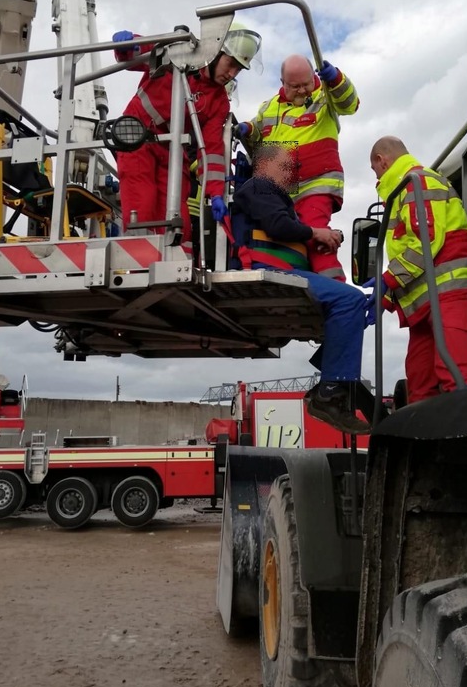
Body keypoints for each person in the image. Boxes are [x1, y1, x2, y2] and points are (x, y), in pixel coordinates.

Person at [231, 143, 368, 433]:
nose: (291, 174)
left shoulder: (270, 195)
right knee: (351, 300)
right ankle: (330, 390)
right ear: (264, 166)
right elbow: (278, 225)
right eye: (285, 167)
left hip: (285, 273)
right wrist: (314, 231)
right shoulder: (260, 186)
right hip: (268, 271)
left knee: (360, 307)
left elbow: (283, 228)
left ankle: (339, 376)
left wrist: (318, 237)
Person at [112, 25, 262, 247]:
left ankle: (176, 275)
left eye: (238, 70)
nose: (232, 74)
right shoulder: (179, 53)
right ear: (216, 50)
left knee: (177, 222)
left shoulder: (219, 100)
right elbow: (142, 51)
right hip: (138, 139)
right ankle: (139, 267)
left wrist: (216, 193)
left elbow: (211, 150)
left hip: (171, 150)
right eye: (231, 64)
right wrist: (128, 45)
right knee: (141, 207)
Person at [368, 136, 467, 403]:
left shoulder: (418, 182)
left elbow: (426, 240)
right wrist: (385, 298)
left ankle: (462, 438)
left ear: (381, 160)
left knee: (455, 374)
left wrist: (387, 281)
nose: (375, 176)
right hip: (424, 300)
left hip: (448, 291)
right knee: (420, 381)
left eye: (373, 169)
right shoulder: (404, 191)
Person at [236, 54, 359, 280]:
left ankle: (335, 286)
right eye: (296, 86)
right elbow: (256, 134)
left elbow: (350, 105)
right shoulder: (270, 106)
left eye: (307, 83)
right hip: (278, 188)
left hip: (316, 185)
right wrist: (246, 129)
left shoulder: (325, 96)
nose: (303, 90)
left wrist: (336, 79)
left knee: (315, 234)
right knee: (275, 235)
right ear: (283, 83)